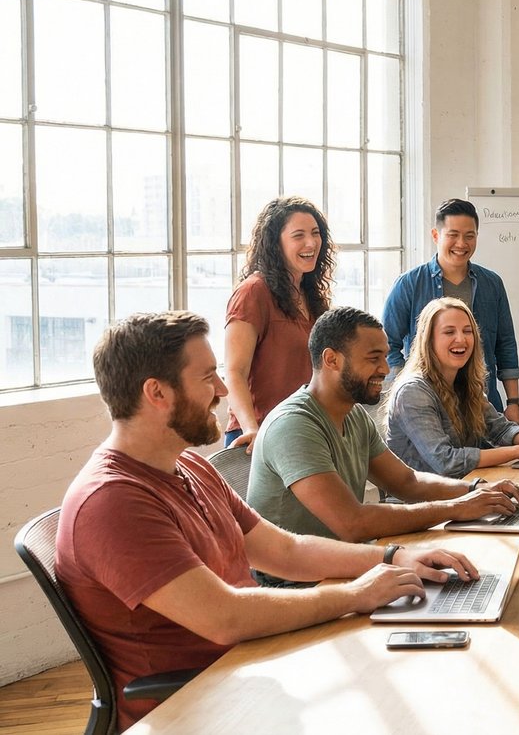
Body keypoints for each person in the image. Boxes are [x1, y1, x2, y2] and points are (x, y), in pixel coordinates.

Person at [56, 311, 479, 730]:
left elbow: (287, 550)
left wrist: (394, 557)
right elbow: (224, 617)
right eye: (207, 378)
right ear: (157, 393)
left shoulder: (189, 467)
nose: (223, 389)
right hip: (200, 703)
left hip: (254, 665)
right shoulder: (114, 502)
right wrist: (354, 595)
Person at [248, 307, 519, 555]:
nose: (385, 369)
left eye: (384, 357)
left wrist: (476, 489)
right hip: (298, 583)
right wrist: (458, 506)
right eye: (373, 359)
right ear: (331, 360)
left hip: (346, 561)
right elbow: (352, 523)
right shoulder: (294, 425)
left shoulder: (354, 414)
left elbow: (407, 482)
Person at [385, 297, 519, 478]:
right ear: (428, 340)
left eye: (467, 331)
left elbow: (500, 429)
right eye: (449, 332)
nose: (461, 339)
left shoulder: (464, 382)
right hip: (422, 502)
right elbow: (446, 462)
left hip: (463, 489)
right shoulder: (412, 392)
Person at [382, 199, 519, 421]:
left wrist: (513, 403)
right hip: (429, 407)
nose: (461, 243)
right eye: (453, 235)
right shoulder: (410, 284)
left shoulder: (492, 283)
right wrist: (406, 388)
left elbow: (505, 345)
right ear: (436, 236)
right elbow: (388, 344)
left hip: (483, 404)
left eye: (469, 236)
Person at [223, 196, 335, 450]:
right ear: (276, 243)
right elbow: (234, 372)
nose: (311, 243)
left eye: (316, 233)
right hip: (258, 436)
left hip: (302, 430)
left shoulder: (310, 294)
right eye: (298, 235)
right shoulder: (253, 292)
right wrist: (253, 428)